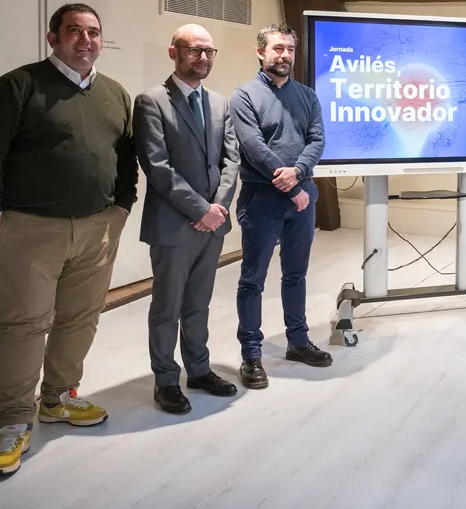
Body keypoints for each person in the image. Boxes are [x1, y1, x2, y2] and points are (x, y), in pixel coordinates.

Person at [0, 2, 137, 477]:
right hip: (27, 230)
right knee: (22, 325)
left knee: (80, 319)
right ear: (53, 38)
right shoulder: (17, 87)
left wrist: (122, 207)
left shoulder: (115, 94)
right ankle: (13, 422)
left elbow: (126, 158)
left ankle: (59, 398)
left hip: (98, 228)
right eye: (74, 31)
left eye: (94, 32)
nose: (85, 40)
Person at [134, 24, 241, 414]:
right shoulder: (151, 102)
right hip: (174, 225)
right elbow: (157, 167)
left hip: (213, 224)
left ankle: (198, 369)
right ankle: (165, 380)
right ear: (173, 53)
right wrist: (201, 210)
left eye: (209, 51)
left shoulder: (220, 103)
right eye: (194, 50)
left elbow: (232, 161)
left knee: (198, 303)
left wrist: (218, 209)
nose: (202, 57)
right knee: (167, 306)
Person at [231, 23, 328, 389]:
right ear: (261, 53)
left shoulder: (306, 95)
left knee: (296, 275)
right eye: (277, 48)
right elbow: (253, 146)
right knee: (252, 279)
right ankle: (251, 355)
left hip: (303, 198)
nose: (284, 55)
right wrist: (290, 187)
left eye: (289, 48)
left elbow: (317, 139)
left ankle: (298, 341)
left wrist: (299, 173)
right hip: (262, 201)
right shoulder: (244, 96)